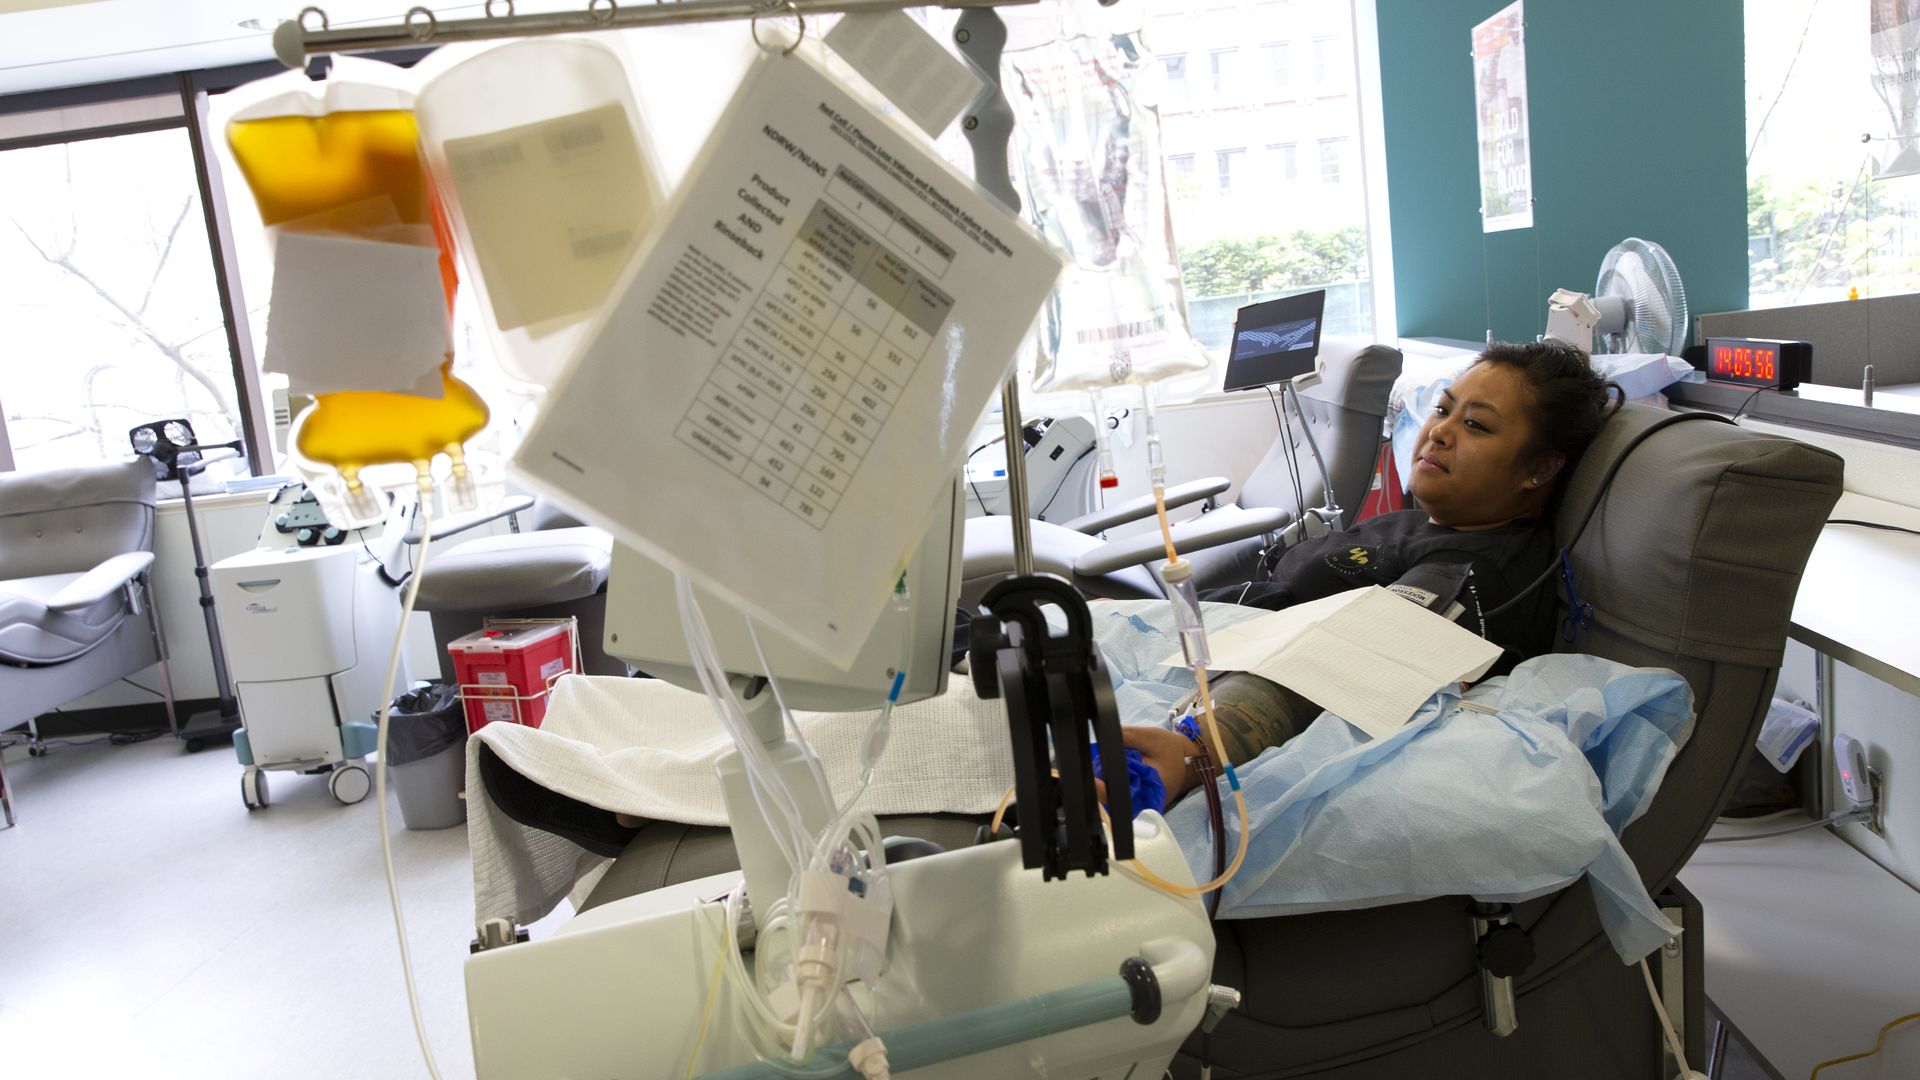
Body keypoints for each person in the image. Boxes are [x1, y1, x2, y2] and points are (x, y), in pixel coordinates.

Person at [1122, 339, 1623, 806]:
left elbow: (1340, 664)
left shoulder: (1471, 571)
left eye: (1477, 426)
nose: (1440, 432)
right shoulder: (1429, 521)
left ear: (1539, 468)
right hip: (1189, 642)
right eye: (1444, 409)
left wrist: (1194, 754)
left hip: (1202, 715)